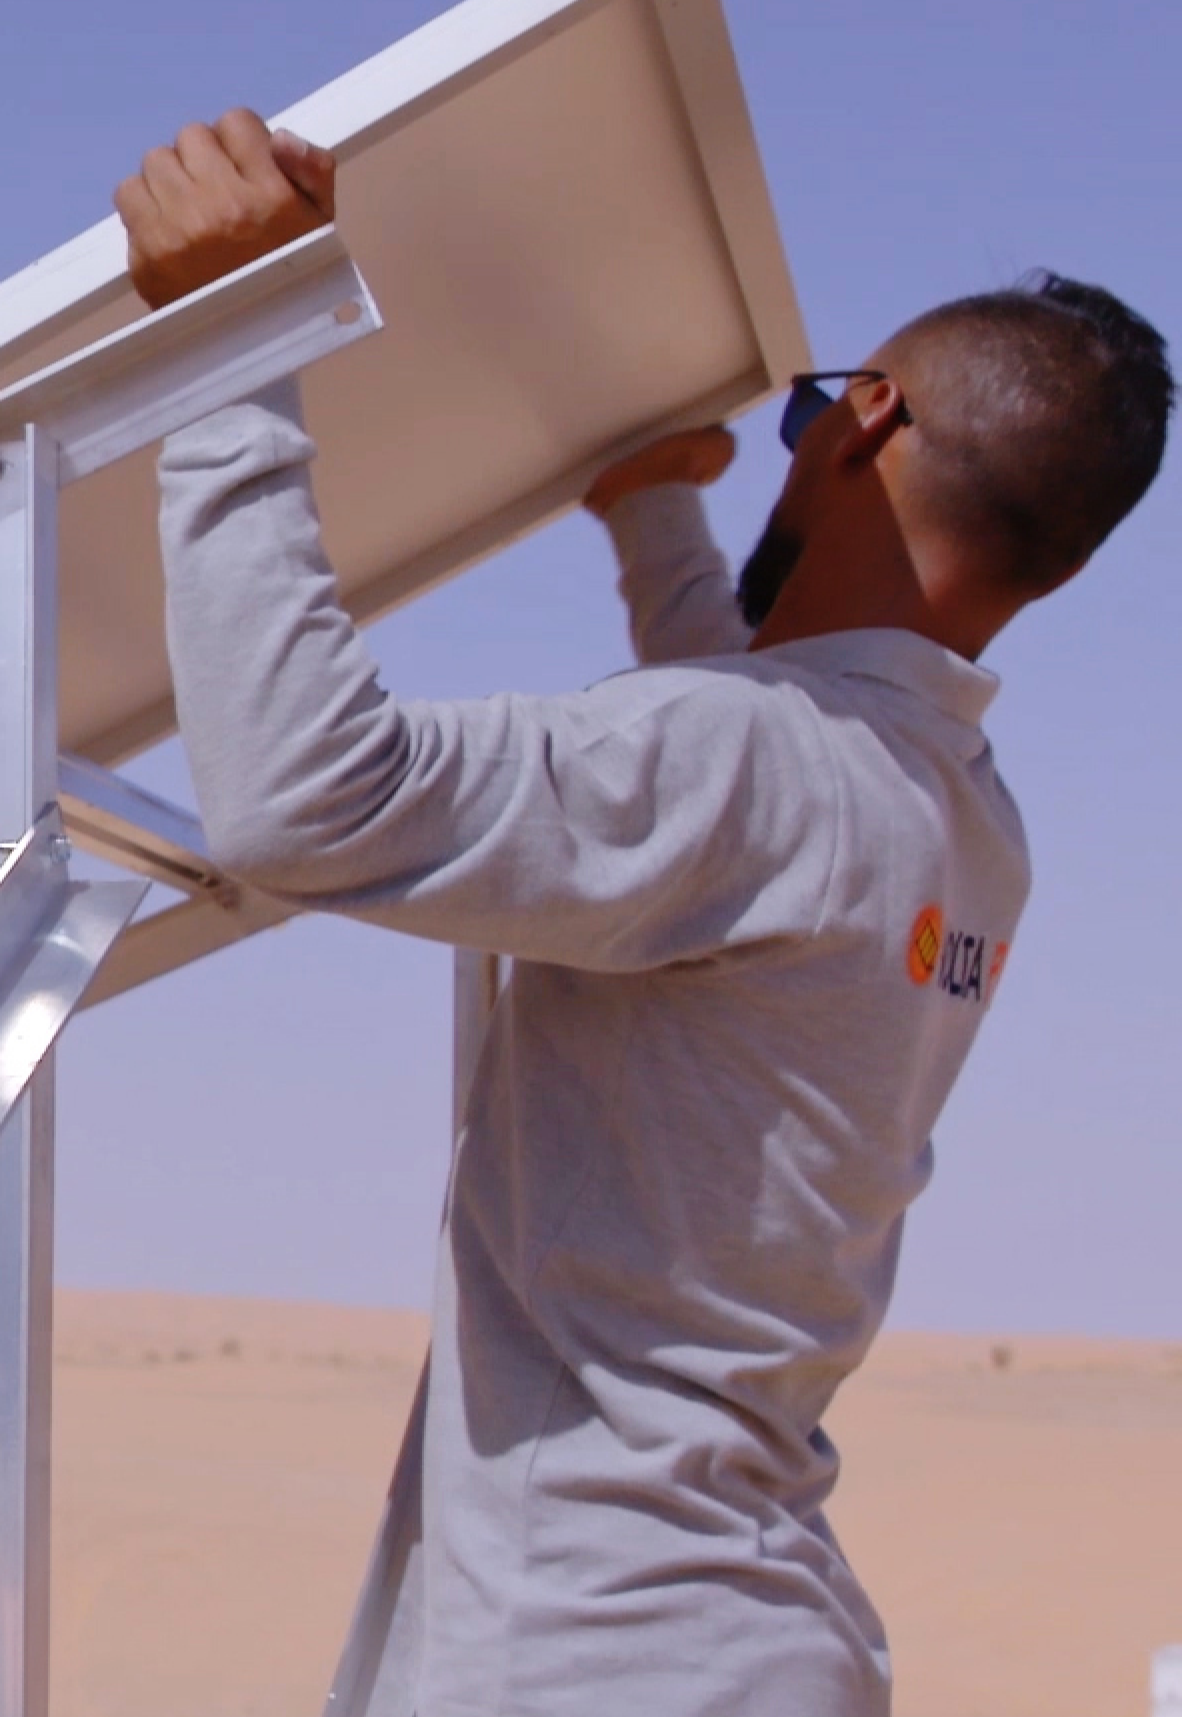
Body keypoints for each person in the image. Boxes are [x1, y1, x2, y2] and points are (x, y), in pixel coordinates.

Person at [111, 110, 1168, 1715]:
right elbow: (742, 753)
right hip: (739, 1637)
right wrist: (650, 513)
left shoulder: (751, 772)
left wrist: (228, 341)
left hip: (590, 1651)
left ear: (863, 419)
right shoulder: (962, 820)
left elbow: (304, 797)